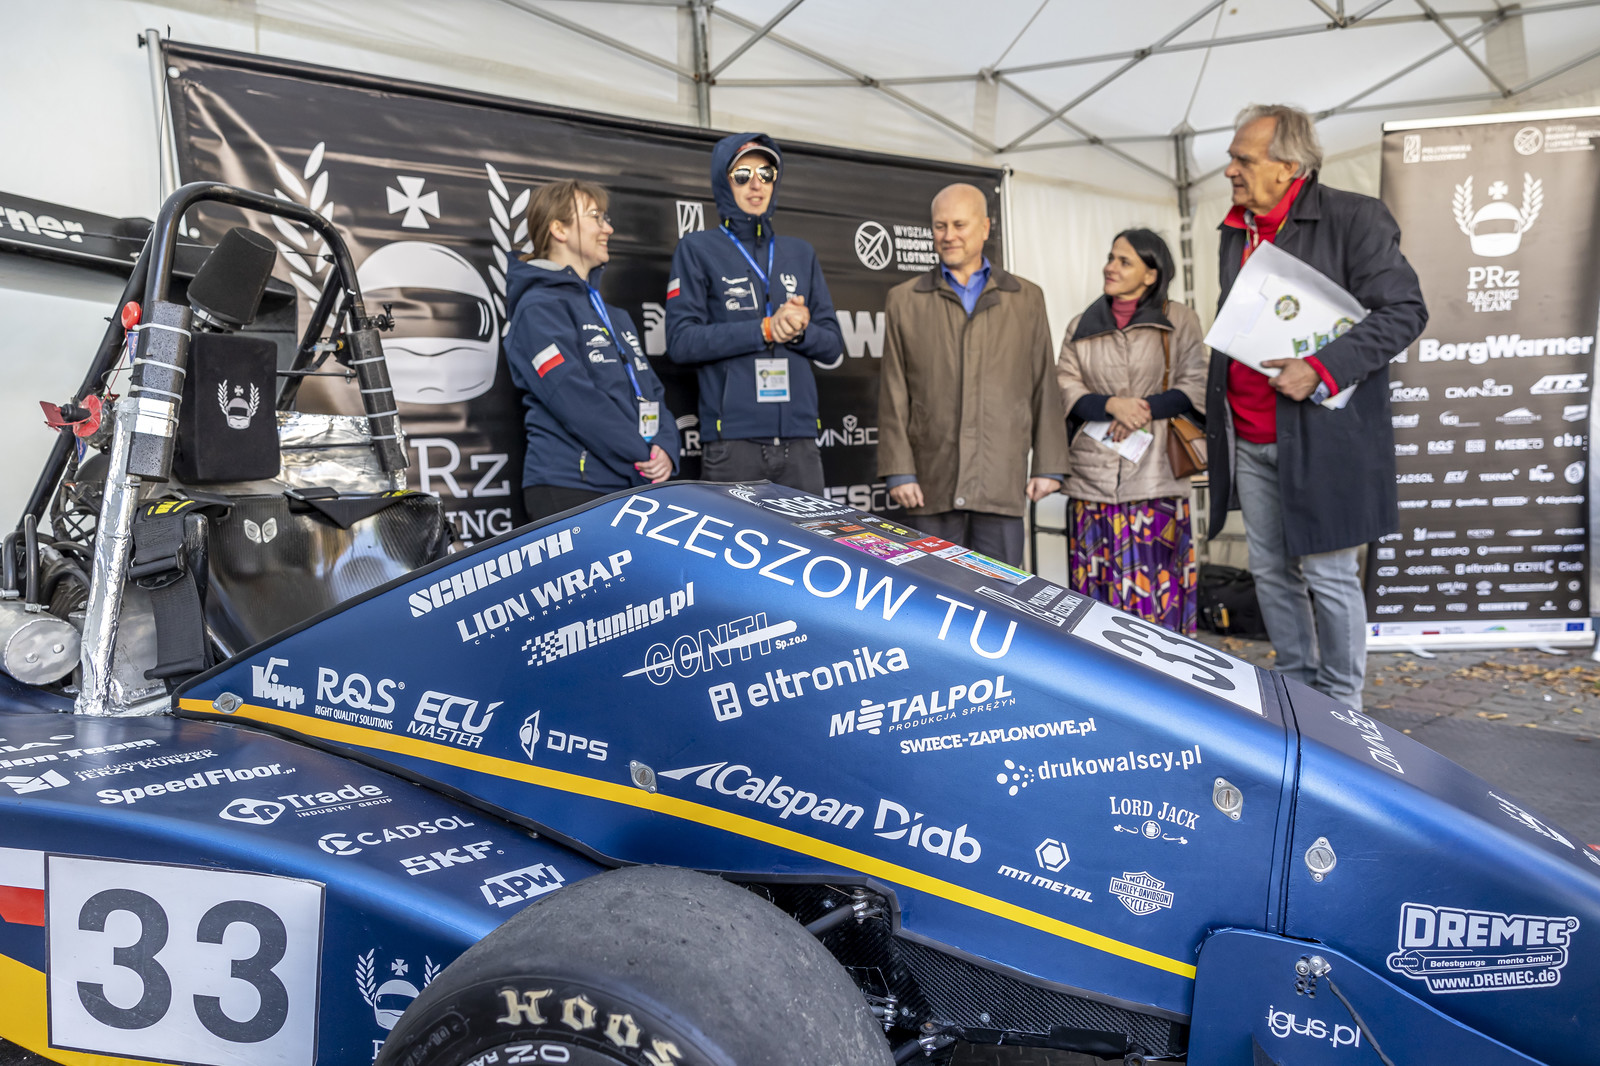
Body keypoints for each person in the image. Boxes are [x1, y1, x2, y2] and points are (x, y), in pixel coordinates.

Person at [1205, 104, 1427, 707]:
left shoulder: (1354, 218)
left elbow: (1405, 311)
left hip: (1322, 436)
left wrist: (1321, 369)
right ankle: (1298, 696)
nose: (1230, 170)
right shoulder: (1234, 229)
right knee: (1270, 571)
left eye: (1243, 159)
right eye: (1231, 158)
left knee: (1328, 573)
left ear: (1288, 166)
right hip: (1248, 435)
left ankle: (1344, 708)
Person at [876, 183, 1070, 568]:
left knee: (1000, 592)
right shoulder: (904, 299)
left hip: (1001, 478)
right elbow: (893, 390)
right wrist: (899, 471)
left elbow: (1044, 385)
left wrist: (1049, 465)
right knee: (931, 589)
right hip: (930, 481)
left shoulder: (1026, 297)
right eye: (940, 226)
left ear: (985, 228)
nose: (948, 235)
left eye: (959, 225)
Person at [666, 133, 843, 493]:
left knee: (810, 533)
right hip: (733, 443)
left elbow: (833, 347)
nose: (756, 184)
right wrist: (763, 330)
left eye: (766, 173)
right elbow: (682, 342)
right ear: (723, 181)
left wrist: (798, 329)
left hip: (801, 441)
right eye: (742, 175)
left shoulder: (800, 253)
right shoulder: (697, 249)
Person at [1057, 230, 1206, 634]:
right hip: (1092, 479)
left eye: (1124, 261)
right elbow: (1065, 386)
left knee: (1157, 590)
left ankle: (1164, 665)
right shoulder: (1080, 326)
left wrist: (1141, 410)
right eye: (1111, 258)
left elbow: (1196, 382)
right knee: (1095, 598)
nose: (1110, 267)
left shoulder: (1180, 319)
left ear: (1151, 274)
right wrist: (1111, 405)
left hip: (1156, 476)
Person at [505, 179, 680, 523]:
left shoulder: (615, 316)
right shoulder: (537, 308)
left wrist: (666, 446)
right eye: (595, 217)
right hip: (572, 487)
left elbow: (652, 391)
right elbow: (573, 398)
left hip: (633, 482)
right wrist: (642, 451)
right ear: (559, 229)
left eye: (605, 218)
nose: (607, 228)